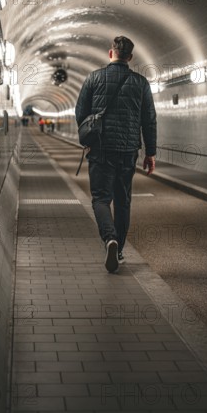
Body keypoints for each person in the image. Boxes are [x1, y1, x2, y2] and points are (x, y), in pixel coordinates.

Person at [75, 36, 157, 274]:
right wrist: (150, 152)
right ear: (130, 57)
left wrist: (89, 139)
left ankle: (109, 238)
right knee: (123, 202)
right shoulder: (141, 83)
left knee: (101, 199)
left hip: (101, 151)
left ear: (110, 53)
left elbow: (81, 113)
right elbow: (149, 120)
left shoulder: (93, 78)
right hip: (128, 151)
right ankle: (119, 249)